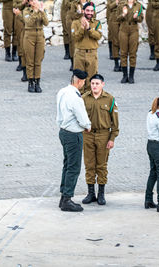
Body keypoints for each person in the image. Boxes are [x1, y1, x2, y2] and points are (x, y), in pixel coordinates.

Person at [56, 69, 91, 212]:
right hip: (73, 134)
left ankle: (63, 195)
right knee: (74, 167)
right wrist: (88, 126)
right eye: (83, 82)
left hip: (63, 132)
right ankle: (67, 199)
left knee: (67, 164)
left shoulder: (62, 91)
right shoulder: (76, 97)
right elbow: (82, 117)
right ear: (80, 81)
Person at [82, 74, 119, 206]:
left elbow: (115, 122)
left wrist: (112, 138)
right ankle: (91, 193)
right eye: (92, 84)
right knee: (89, 164)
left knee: (102, 165)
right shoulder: (84, 98)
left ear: (103, 84)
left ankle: (101, 193)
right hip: (88, 134)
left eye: (97, 83)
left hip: (103, 135)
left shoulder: (109, 99)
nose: (94, 86)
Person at [71, 1, 102, 94]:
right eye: (87, 10)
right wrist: (82, 28)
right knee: (78, 78)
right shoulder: (76, 23)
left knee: (91, 79)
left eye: (92, 11)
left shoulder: (97, 23)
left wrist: (89, 29)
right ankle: (77, 100)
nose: (90, 13)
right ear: (83, 11)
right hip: (79, 53)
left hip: (92, 54)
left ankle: (89, 101)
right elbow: (75, 37)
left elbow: (98, 36)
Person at [22, 0, 48, 93]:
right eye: (32, 0)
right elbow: (29, 22)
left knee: (38, 60)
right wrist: (36, 11)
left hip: (40, 35)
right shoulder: (26, 11)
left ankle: (37, 81)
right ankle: (30, 81)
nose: (34, 2)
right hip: (29, 35)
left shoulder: (41, 10)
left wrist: (42, 11)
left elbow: (46, 22)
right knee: (30, 60)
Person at [117, 0, 144, 84]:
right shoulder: (121, 5)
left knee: (133, 53)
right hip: (123, 29)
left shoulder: (138, 5)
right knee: (123, 52)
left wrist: (137, 17)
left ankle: (131, 76)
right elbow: (117, 18)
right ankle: (125, 75)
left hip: (133, 29)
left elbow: (141, 19)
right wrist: (123, 14)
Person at [66, 0, 89, 71]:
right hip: (76, 24)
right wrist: (79, 12)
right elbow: (73, 15)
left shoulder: (89, 3)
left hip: (86, 23)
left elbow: (94, 14)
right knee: (73, 43)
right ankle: (73, 62)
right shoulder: (75, 3)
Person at [107, 0, 121, 71]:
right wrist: (116, 2)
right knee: (115, 40)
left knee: (123, 40)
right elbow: (109, 6)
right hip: (114, 17)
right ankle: (116, 63)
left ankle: (122, 63)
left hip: (124, 17)